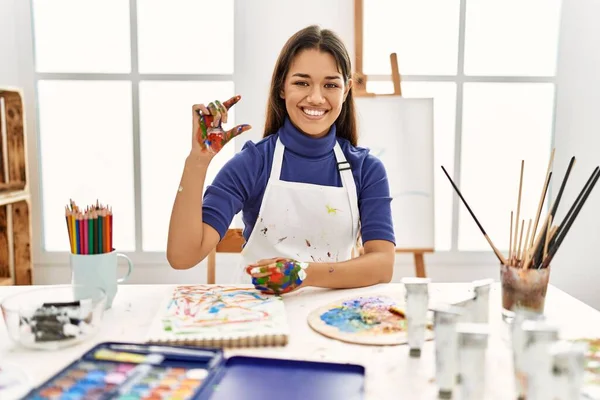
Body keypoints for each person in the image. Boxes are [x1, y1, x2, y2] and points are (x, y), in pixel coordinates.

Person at [167, 25, 395, 295]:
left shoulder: (366, 169)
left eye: (330, 84)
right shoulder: (253, 164)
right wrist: (198, 160)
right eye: (302, 82)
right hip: (256, 317)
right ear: (282, 88)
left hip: (332, 316)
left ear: (345, 91)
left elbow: (382, 265)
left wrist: (302, 273)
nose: (316, 97)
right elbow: (182, 257)